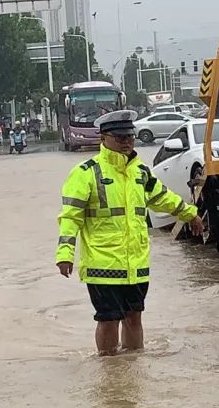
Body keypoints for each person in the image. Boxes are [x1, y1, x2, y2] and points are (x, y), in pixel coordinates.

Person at [56, 110, 204, 356]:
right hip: (103, 265)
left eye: (130, 137)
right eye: (120, 137)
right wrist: (65, 253)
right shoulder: (86, 172)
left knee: (135, 317)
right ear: (103, 138)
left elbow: (162, 198)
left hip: (136, 263)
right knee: (108, 319)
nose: (127, 142)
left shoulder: (140, 172)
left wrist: (190, 213)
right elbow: (70, 217)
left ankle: (134, 370)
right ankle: (109, 370)